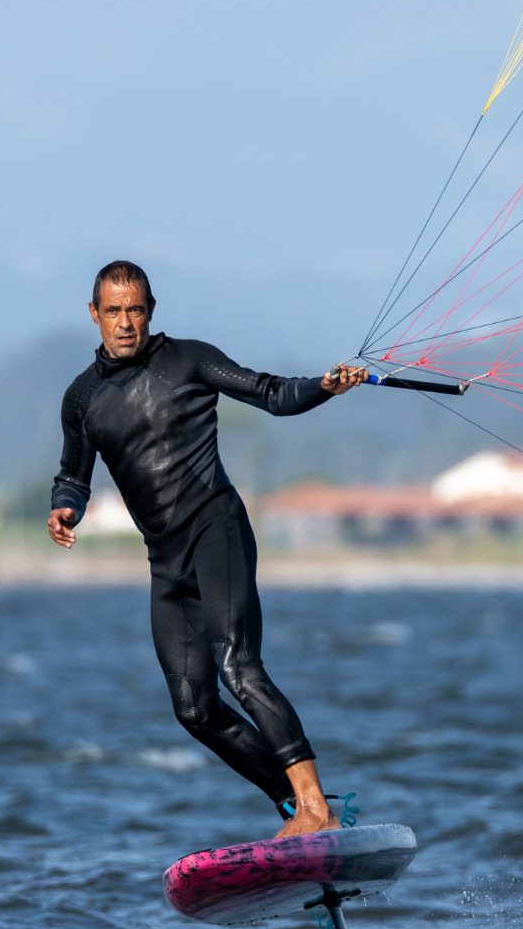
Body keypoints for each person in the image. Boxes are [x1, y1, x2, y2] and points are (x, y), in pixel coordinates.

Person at [49, 260, 363, 837]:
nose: (125, 323)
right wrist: (65, 507)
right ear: (94, 314)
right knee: (194, 707)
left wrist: (324, 385)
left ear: (151, 310)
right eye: (113, 311)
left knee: (238, 667)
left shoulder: (189, 360)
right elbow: (73, 475)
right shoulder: (81, 398)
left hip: (217, 530)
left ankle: (316, 806)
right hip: (165, 561)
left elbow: (272, 393)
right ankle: (297, 807)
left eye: (135, 310)